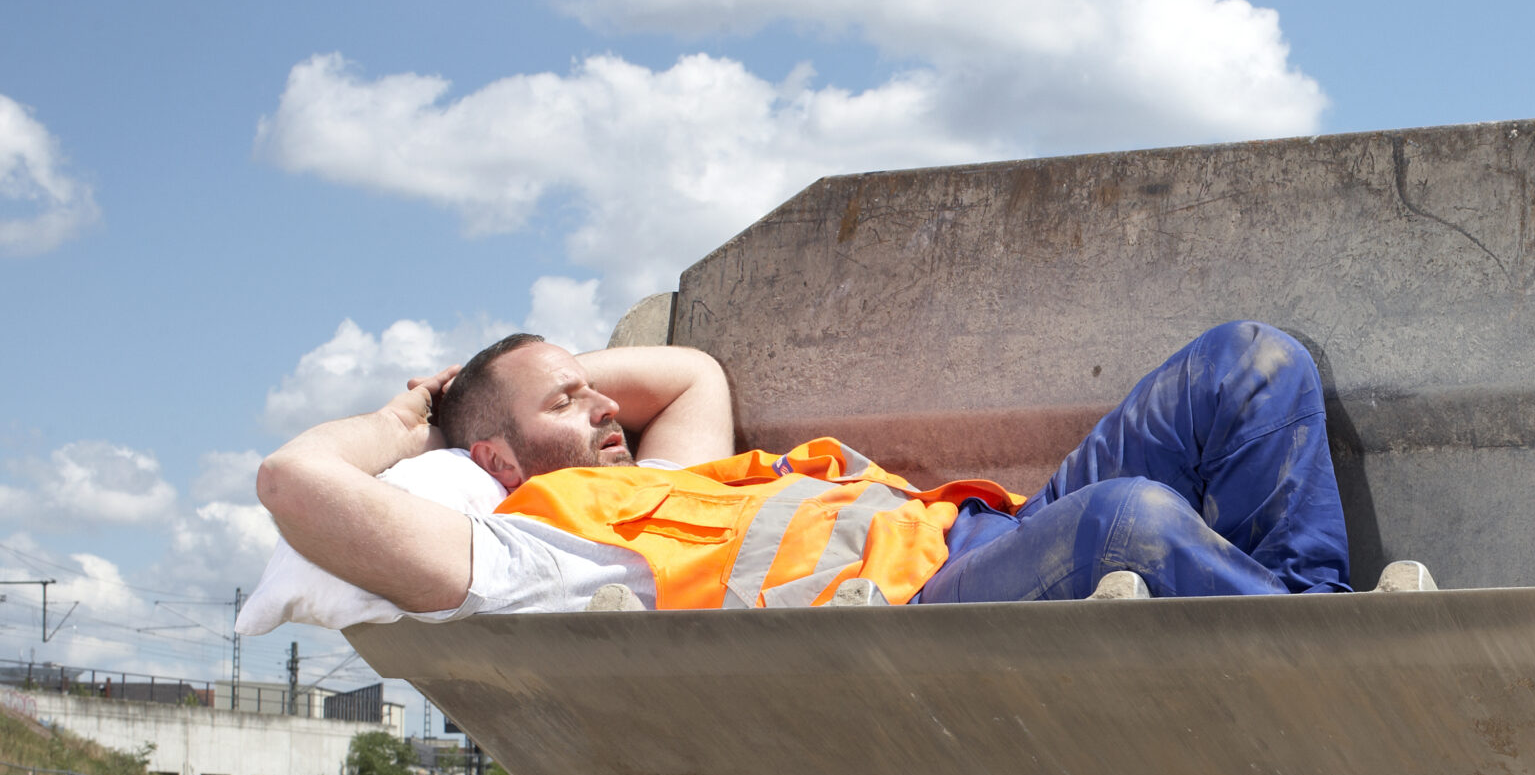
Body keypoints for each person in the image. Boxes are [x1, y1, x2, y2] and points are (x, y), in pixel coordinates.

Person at [253, 320, 1387, 623]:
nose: (605, 404)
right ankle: (1356, 695)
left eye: (596, 393)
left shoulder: (663, 479)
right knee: (1133, 520)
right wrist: (417, 424)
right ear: (496, 459)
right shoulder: (535, 544)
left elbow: (688, 371)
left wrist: (530, 375)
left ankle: (1306, 628)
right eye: (570, 405)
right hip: (924, 615)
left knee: (1249, 362)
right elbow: (295, 486)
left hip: (995, 532)